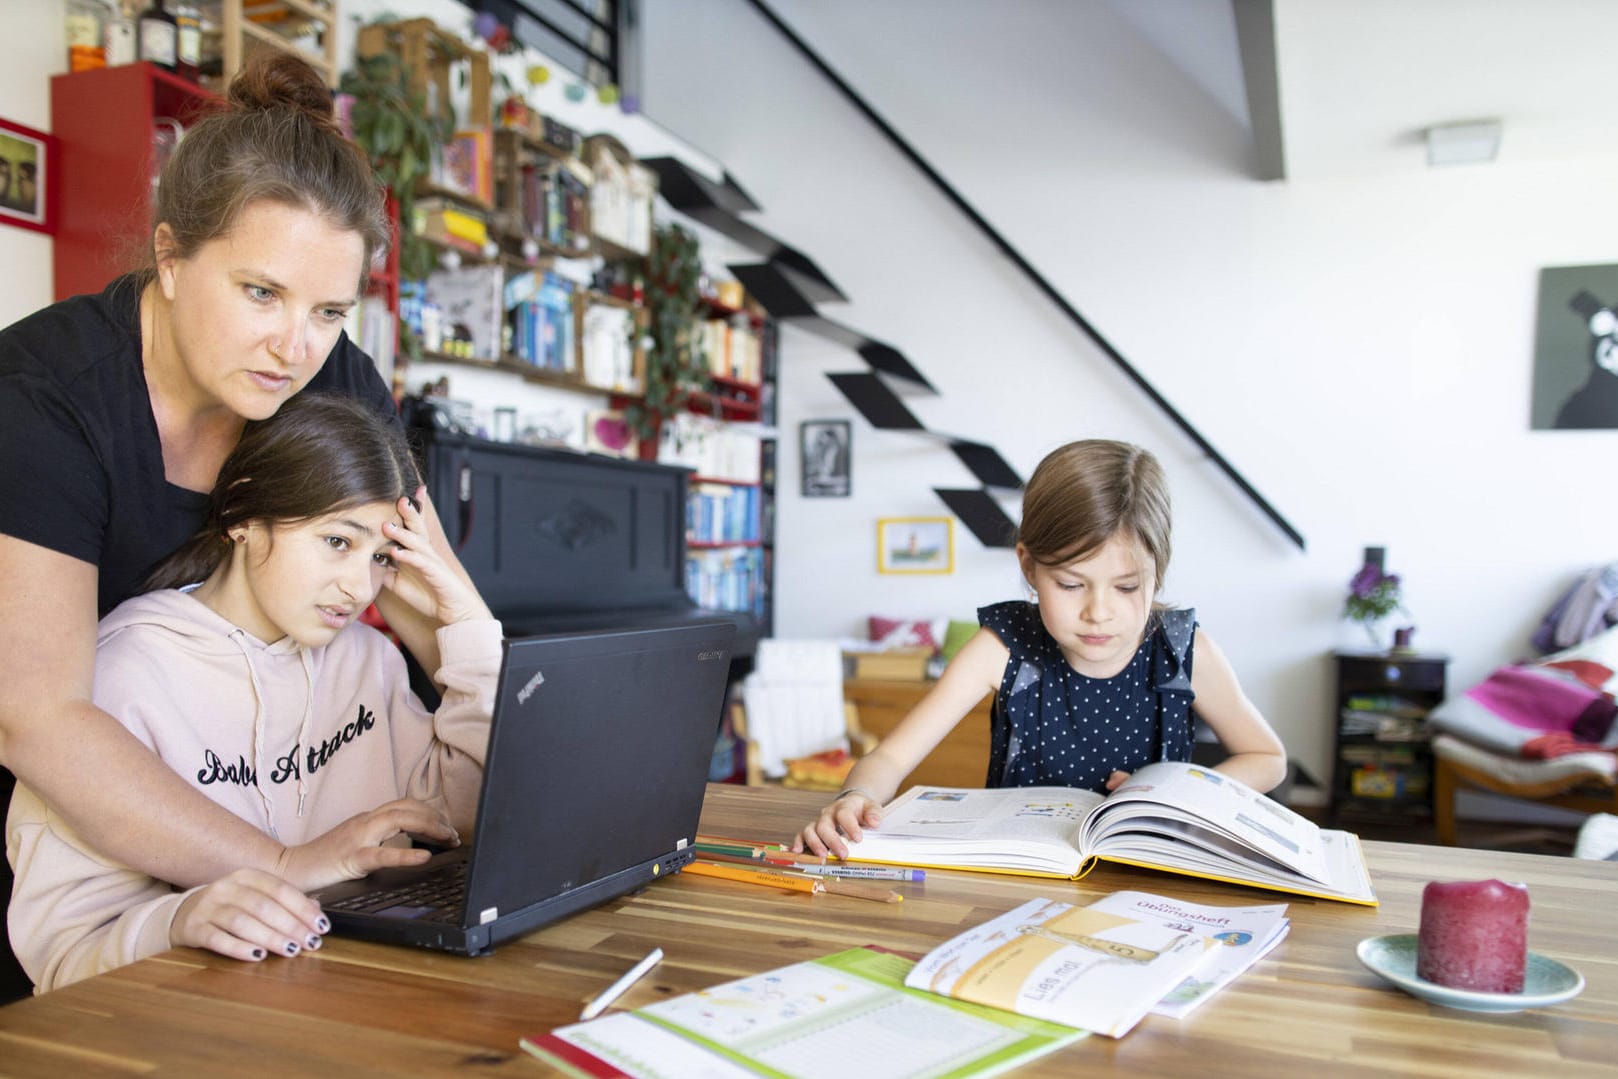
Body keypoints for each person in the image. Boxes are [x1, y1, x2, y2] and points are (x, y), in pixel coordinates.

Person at [0, 50, 479, 997]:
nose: (294, 346)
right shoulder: (41, 401)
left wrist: (515, 731)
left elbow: (429, 594)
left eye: (330, 310)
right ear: (171, 257)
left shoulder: (332, 376)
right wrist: (280, 864)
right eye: (261, 293)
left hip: (233, 857)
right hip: (47, 853)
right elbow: (38, 716)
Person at [6, 394, 501, 992]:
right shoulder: (121, 673)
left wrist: (470, 627)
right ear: (242, 514)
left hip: (354, 987)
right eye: (338, 542)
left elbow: (471, 817)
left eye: (380, 557)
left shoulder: (369, 661)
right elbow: (63, 960)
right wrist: (178, 919)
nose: (357, 586)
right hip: (193, 1021)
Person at [796, 439, 1287, 858]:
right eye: (1071, 585)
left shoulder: (1183, 651)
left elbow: (1267, 757)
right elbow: (890, 759)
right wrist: (856, 796)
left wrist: (1181, 794)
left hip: (1150, 875)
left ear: (1158, 571)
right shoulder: (1002, 648)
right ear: (1029, 568)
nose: (1099, 612)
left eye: (1127, 587)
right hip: (1018, 874)